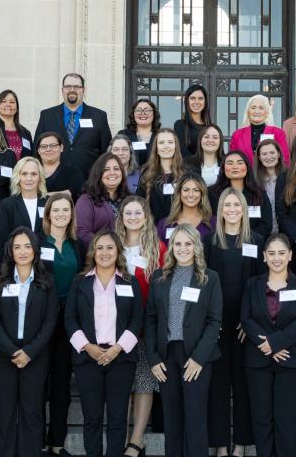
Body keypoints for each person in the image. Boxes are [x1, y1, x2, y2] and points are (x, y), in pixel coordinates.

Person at [145, 225, 223, 457]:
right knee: (172, 419)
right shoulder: (160, 276)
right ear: (171, 247)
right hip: (166, 355)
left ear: (196, 246)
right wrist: (153, 357)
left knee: (195, 418)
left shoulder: (210, 278)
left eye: (188, 243)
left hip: (197, 357)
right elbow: (150, 318)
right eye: (178, 244)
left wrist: (199, 358)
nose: (183, 248)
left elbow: (214, 321)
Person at [66, 231, 145, 457]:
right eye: (99, 248)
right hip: (87, 358)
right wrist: (88, 347)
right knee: (91, 417)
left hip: (121, 358)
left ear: (118, 251)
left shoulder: (129, 281)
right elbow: (70, 318)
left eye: (110, 247)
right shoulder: (80, 281)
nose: (104, 252)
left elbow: (137, 318)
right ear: (93, 251)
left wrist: (118, 348)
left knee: (118, 418)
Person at [0, 228, 60, 457]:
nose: (22, 251)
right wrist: (11, 350)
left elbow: (50, 320)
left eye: (27, 246)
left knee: (32, 411)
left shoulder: (47, 280)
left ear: (35, 250)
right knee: (4, 412)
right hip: (3, 356)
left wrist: (30, 351)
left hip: (35, 356)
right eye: (17, 247)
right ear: (10, 251)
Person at [242, 233, 296, 457]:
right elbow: (246, 319)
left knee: (289, 420)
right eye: (271, 253)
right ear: (263, 256)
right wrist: (269, 345)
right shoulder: (252, 284)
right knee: (262, 419)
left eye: (281, 253)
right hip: (258, 361)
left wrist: (275, 342)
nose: (276, 258)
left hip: (293, 361)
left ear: (290, 255)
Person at [206, 189, 264, 456]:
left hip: (246, 324)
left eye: (236, 205)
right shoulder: (209, 242)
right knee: (217, 385)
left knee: (243, 385)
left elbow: (262, 285)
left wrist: (248, 320)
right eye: (226, 205)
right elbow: (203, 283)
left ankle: (240, 444)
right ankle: (220, 445)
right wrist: (211, 321)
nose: (231, 209)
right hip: (215, 323)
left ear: (243, 209)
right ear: (220, 210)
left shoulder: (256, 241)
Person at [114, 195, 164, 457]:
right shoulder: (112, 245)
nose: (133, 218)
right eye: (128, 213)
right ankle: (119, 435)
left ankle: (136, 439)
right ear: (121, 217)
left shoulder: (158, 248)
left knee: (144, 382)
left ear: (146, 217)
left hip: (146, 327)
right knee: (121, 384)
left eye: (138, 213)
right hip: (115, 328)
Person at [41, 191, 87, 457]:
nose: (61, 214)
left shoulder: (77, 245)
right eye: (55, 210)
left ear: (72, 215)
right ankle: (35, 440)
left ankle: (57, 443)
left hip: (68, 322)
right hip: (41, 320)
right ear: (48, 215)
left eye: (65, 210)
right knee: (38, 383)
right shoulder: (37, 242)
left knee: (60, 384)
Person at [35, 72, 114, 173]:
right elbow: (36, 149)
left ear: (83, 90)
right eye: (68, 86)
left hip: (89, 180)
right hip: (54, 180)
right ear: (62, 90)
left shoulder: (99, 116)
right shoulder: (47, 115)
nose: (72, 90)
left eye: (76, 86)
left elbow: (107, 152)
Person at [210, 151, 274, 240]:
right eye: (230, 163)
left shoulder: (259, 194)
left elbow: (266, 225)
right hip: (222, 243)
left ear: (247, 167)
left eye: (240, 163)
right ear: (223, 168)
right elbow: (210, 221)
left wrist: (245, 238)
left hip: (251, 244)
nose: (235, 167)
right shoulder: (212, 193)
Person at [77, 153, 132, 246]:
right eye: (106, 169)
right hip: (101, 256)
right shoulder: (86, 200)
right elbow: (81, 232)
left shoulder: (130, 199)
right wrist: (108, 246)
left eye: (116, 169)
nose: (112, 173)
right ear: (98, 173)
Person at [139, 128, 189, 221]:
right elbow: (139, 203)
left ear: (176, 147)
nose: (166, 146)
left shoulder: (186, 174)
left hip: (179, 230)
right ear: (156, 148)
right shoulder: (145, 174)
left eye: (170, 142)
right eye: (161, 143)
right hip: (152, 231)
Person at [0, 156, 48, 242]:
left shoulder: (49, 202)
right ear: (18, 176)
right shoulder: (7, 204)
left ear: (40, 177)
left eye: (34, 174)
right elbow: (3, 238)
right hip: (18, 254)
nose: (29, 178)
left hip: (44, 253)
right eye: (24, 174)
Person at [229, 94, 291, 167]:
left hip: (270, 177)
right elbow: (232, 159)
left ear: (267, 112)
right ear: (248, 112)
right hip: (245, 177)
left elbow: (285, 160)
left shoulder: (278, 133)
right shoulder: (237, 135)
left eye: (261, 108)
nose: (257, 111)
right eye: (253, 107)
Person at [156, 173, 214, 242]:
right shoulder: (164, 224)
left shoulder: (213, 223)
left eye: (196, 190)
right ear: (179, 193)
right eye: (186, 190)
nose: (191, 195)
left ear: (202, 194)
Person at [37, 130, 86, 199]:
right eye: (44, 146)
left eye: (53, 145)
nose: (48, 149)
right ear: (38, 150)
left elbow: (78, 195)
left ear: (61, 147)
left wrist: (41, 196)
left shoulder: (73, 172)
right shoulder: (32, 172)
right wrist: (63, 193)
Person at [174, 83, 214, 158]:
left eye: (200, 98)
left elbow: (219, 154)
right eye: (192, 98)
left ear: (205, 102)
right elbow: (182, 152)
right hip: (189, 168)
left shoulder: (211, 128)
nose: (197, 102)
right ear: (187, 101)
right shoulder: (180, 125)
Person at [118, 98, 159, 167]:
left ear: (154, 114)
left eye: (147, 110)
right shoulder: (123, 135)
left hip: (156, 176)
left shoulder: (160, 135)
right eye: (138, 110)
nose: (142, 113)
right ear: (133, 114)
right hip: (129, 176)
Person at [255, 139, 284, 234]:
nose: (268, 157)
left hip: (286, 233)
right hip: (263, 234)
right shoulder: (254, 182)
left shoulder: (289, 177)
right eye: (264, 154)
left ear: (279, 154)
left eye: (272, 153)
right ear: (259, 157)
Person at [0, 89, 33, 160]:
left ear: (17, 108)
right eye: (4, 101)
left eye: (12, 102)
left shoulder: (26, 133)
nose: (8, 104)